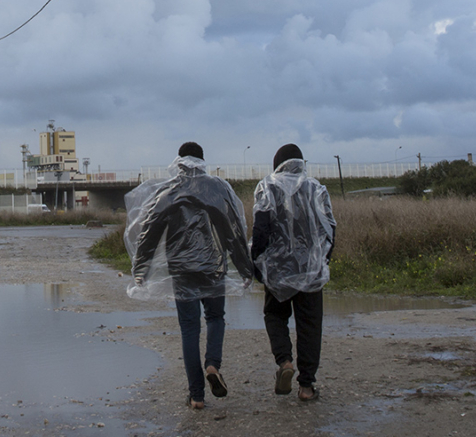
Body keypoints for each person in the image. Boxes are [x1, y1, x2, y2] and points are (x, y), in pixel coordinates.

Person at [125, 141, 256, 410]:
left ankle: (196, 396)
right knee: (216, 317)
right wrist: (245, 268)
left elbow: (150, 232)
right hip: (213, 266)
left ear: (180, 162)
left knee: (189, 328)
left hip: (181, 270)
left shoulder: (169, 191)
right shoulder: (217, 188)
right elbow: (232, 230)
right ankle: (213, 364)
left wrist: (141, 270)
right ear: (202, 161)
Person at [250, 144, 336, 402]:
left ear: (277, 164)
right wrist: (323, 260)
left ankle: (285, 361)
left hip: (278, 270)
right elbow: (329, 228)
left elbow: (260, 230)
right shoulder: (316, 189)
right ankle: (306, 386)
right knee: (310, 325)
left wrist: (258, 262)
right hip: (310, 270)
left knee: (275, 315)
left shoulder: (267, 187)